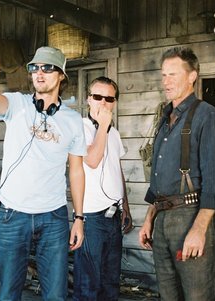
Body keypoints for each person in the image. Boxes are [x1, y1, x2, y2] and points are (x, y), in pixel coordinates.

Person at [0, 46, 87, 301]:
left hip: (53, 217)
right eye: (34, 67)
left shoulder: (72, 120)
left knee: (56, 295)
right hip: (13, 215)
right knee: (9, 294)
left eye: (48, 68)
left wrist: (79, 218)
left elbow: (77, 172)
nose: (40, 73)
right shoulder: (17, 104)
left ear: (61, 75)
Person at [137, 47, 215, 300]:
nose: (166, 81)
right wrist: (149, 218)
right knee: (167, 295)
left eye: (173, 75)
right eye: (164, 75)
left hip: (191, 216)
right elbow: (159, 178)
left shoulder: (207, 117)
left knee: (197, 295)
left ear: (192, 76)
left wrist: (199, 230)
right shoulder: (165, 119)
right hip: (162, 219)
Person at [73, 77, 133, 301]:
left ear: (114, 102)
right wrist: (104, 126)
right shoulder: (81, 126)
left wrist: (125, 207)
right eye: (98, 97)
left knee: (110, 283)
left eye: (109, 98)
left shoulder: (114, 134)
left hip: (113, 216)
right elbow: (92, 160)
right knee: (88, 284)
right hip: (91, 218)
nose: (103, 103)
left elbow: (117, 169)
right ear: (89, 99)